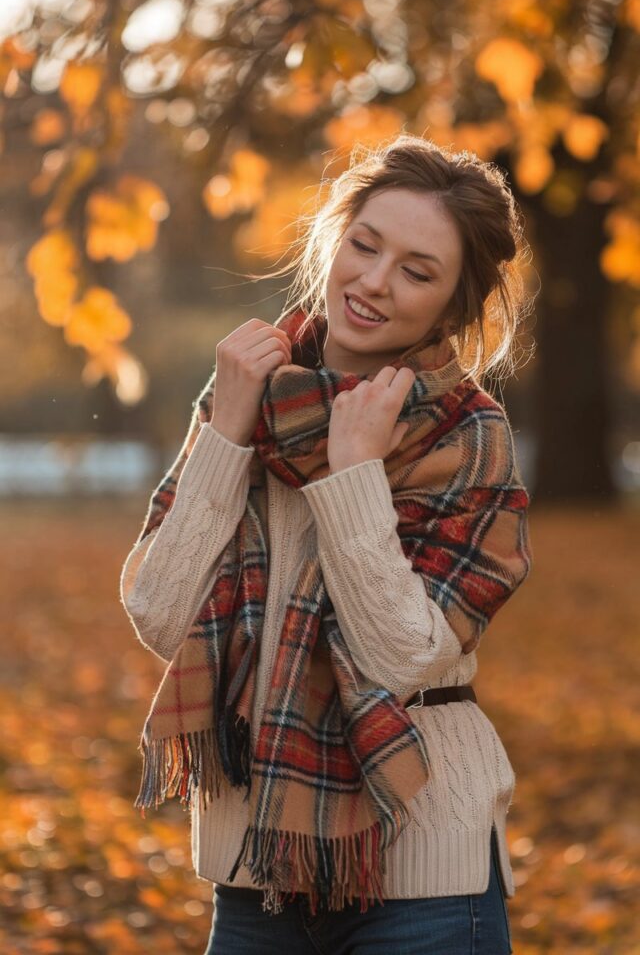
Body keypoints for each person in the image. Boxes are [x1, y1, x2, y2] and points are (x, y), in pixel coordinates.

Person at [119, 134, 535, 955]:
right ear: (333, 241)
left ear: (454, 307)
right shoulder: (248, 393)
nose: (374, 282)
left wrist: (352, 477)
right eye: (365, 245)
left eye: (417, 271)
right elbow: (159, 613)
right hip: (257, 870)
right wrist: (228, 436)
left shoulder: (468, 434)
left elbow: (400, 655)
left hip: (424, 875)